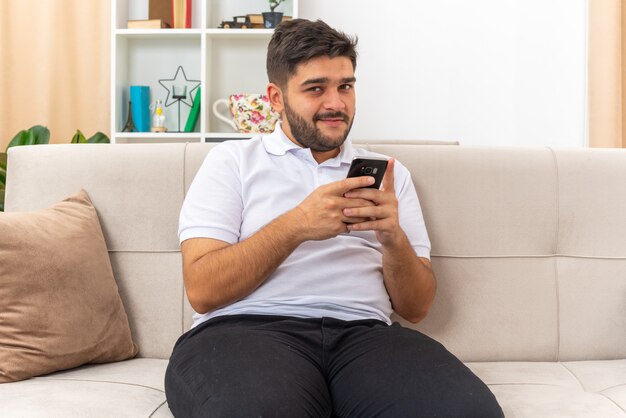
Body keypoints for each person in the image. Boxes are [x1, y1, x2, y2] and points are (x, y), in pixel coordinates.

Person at [165, 18, 504, 418]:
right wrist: (297, 225)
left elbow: (415, 309)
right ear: (276, 98)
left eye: (345, 86)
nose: (336, 103)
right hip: (246, 332)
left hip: (364, 336)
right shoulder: (232, 162)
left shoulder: (388, 173)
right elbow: (202, 289)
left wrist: (393, 238)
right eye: (315, 88)